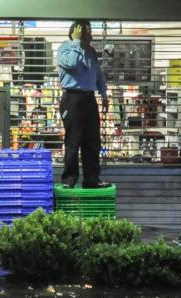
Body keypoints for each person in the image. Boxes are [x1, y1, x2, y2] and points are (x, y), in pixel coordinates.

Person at [57, 20, 110, 189]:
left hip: (89, 98)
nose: (91, 34)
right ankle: (69, 180)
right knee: (73, 140)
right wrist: (76, 43)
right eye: (86, 31)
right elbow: (71, 63)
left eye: (90, 31)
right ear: (77, 32)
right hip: (72, 98)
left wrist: (104, 94)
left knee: (93, 140)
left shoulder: (91, 52)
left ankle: (92, 179)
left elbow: (97, 74)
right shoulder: (65, 48)